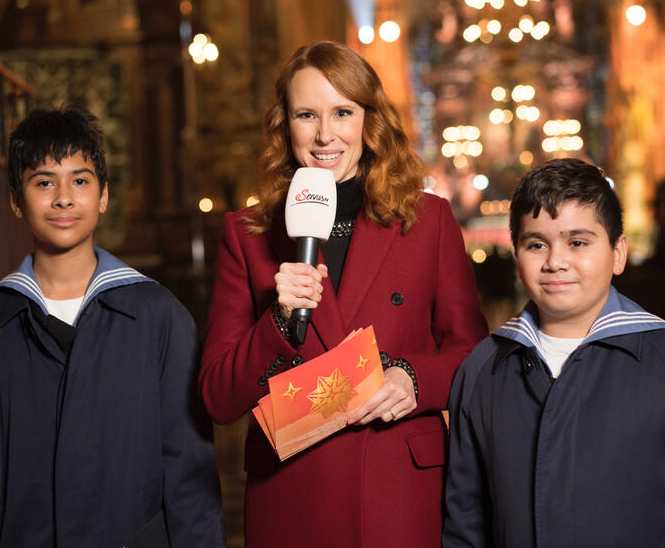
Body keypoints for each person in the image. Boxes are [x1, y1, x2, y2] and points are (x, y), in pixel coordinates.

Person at [199, 41, 488, 547]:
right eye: (306, 114)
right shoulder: (247, 234)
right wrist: (277, 321)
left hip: (398, 491)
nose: (325, 134)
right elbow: (218, 397)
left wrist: (414, 377)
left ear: (368, 121)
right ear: (284, 125)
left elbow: (474, 355)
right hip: (292, 497)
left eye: (343, 112)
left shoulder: (427, 221)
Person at [0, 107, 224, 548]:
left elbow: (189, 480)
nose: (63, 198)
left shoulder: (160, 318)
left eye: (80, 180)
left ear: (104, 196)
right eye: (43, 182)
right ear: (16, 200)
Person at [442, 158, 665, 547]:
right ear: (517, 255)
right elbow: (466, 526)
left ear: (618, 252)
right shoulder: (482, 371)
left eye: (578, 242)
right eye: (536, 244)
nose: (556, 262)